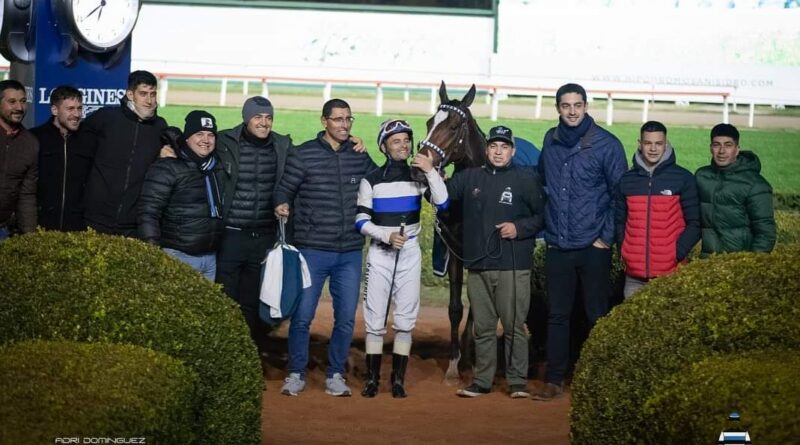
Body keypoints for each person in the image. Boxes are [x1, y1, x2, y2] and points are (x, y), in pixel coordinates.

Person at [274, 98, 378, 397]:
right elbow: (284, 189)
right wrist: (280, 203)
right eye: (338, 119)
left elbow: (381, 182)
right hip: (312, 250)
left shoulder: (359, 156)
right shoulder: (303, 154)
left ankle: (335, 375)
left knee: (345, 319)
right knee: (303, 316)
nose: (344, 125)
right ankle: (296, 373)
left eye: (348, 119)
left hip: (349, 252)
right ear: (324, 121)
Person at [534, 83, 627, 401]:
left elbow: (619, 197)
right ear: (558, 108)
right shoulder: (550, 140)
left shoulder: (607, 144)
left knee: (595, 315)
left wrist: (605, 239)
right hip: (558, 245)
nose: (572, 111)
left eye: (577, 105)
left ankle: (596, 379)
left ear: (586, 106)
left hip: (593, 246)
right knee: (557, 315)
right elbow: (542, 182)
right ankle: (554, 379)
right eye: (566, 105)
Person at [445, 125, 545, 399]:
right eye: (493, 146)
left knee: (513, 326)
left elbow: (542, 216)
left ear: (512, 151)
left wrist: (519, 228)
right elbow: (441, 196)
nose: (498, 152)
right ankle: (482, 381)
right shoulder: (470, 177)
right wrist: (431, 172)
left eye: (504, 147)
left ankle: (517, 382)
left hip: (513, 265)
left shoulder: (526, 179)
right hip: (479, 265)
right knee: (484, 328)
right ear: (486, 149)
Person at [355, 119, 448, 398]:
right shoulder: (371, 179)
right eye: (396, 141)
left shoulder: (419, 176)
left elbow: (443, 202)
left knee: (406, 318)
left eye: (406, 140)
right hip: (380, 254)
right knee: (375, 318)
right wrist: (386, 236)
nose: (403, 145)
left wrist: (430, 171)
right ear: (384, 147)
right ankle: (373, 380)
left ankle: (398, 381)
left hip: (409, 254)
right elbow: (361, 220)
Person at [214, 96, 294, 355]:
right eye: (258, 117)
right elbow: (192, 143)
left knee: (252, 302)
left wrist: (350, 141)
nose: (264, 122)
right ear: (246, 118)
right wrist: (168, 145)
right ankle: (224, 355)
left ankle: (247, 356)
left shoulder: (283, 145)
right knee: (225, 299)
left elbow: (310, 158)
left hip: (263, 237)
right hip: (231, 236)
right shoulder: (224, 141)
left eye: (268, 118)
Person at [615, 121, 700, 298]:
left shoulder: (683, 178)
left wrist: (676, 253)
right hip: (634, 277)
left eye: (658, 143)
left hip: (671, 274)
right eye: (648, 143)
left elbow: (695, 223)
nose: (653, 149)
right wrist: (625, 252)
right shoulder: (627, 180)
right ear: (640, 144)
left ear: (666, 144)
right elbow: (620, 221)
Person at [138, 111, 224, 280]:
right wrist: (153, 252)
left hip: (210, 259)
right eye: (199, 134)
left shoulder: (216, 167)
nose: (206, 140)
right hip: (178, 256)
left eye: (210, 135)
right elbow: (148, 212)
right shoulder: (168, 167)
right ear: (187, 138)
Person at [81, 70, 168, 237]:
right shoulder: (105, 118)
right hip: (95, 219)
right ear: (130, 94)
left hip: (133, 224)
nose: (149, 100)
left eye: (152, 94)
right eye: (143, 94)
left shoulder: (160, 127)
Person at [695, 123, 776, 255]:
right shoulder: (701, 176)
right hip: (707, 261)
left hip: (738, 262)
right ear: (711, 148)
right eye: (716, 145)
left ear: (737, 149)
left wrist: (749, 263)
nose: (721, 151)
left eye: (728, 145)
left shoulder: (756, 184)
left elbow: (766, 233)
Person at [31, 85, 93, 231]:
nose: (77, 114)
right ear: (55, 110)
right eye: (70, 109)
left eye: (79, 108)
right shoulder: (35, 138)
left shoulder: (89, 140)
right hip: (40, 225)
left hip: (78, 227)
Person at [0, 80, 38, 240]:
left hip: (4, 229)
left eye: (23, 101)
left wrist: (29, 238)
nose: (19, 107)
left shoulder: (30, 143)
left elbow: (26, 195)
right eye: (12, 102)